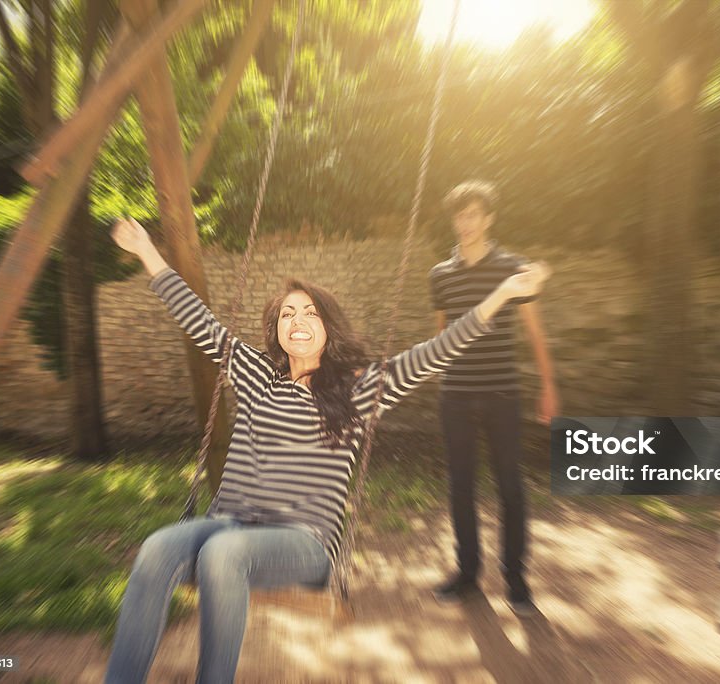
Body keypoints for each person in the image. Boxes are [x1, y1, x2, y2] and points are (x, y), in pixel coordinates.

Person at [104, 217, 550, 683]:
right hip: (227, 523)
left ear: (329, 326)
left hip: (304, 541)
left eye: (310, 312)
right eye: (286, 315)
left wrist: (503, 294)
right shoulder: (255, 375)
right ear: (275, 330)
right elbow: (196, 317)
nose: (297, 321)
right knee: (158, 548)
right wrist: (145, 250)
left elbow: (440, 348)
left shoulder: (359, 390)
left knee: (222, 555)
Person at [429, 181, 559, 617]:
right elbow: (440, 337)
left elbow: (535, 330)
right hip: (457, 396)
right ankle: (467, 574)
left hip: (503, 393)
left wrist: (549, 385)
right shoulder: (440, 275)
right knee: (460, 487)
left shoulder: (512, 269)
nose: (465, 223)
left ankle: (516, 580)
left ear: (489, 218)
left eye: (473, 214)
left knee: (510, 487)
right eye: (459, 216)